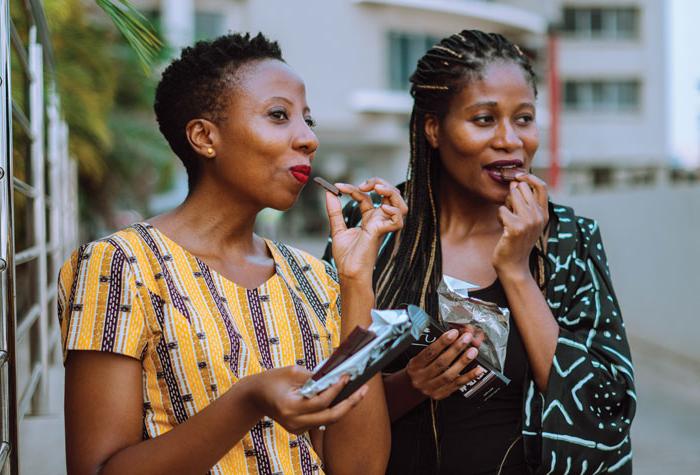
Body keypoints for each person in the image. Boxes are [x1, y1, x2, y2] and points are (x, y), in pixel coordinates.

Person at [58, 32, 406, 475]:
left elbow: (359, 468)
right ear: (205, 136)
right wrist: (249, 399)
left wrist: (357, 281)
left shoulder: (316, 278)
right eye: (279, 115)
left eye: (308, 119)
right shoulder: (120, 265)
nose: (308, 139)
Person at [324, 30, 636, 474]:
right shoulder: (376, 233)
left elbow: (605, 411)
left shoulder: (568, 239)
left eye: (524, 118)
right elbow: (319, 408)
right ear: (434, 129)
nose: (511, 140)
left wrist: (516, 271)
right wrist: (410, 385)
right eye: (484, 119)